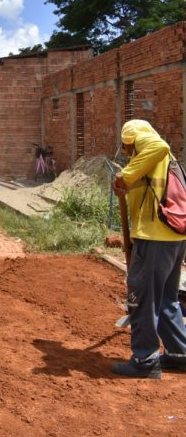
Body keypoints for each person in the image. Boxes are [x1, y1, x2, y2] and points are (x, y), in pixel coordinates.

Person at [111, 119, 186, 379]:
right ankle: (179, 354)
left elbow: (160, 145)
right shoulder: (159, 162)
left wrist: (125, 176)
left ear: (133, 138)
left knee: (142, 298)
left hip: (155, 239)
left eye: (127, 145)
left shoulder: (151, 147)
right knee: (166, 298)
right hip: (172, 238)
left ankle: (144, 360)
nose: (127, 151)